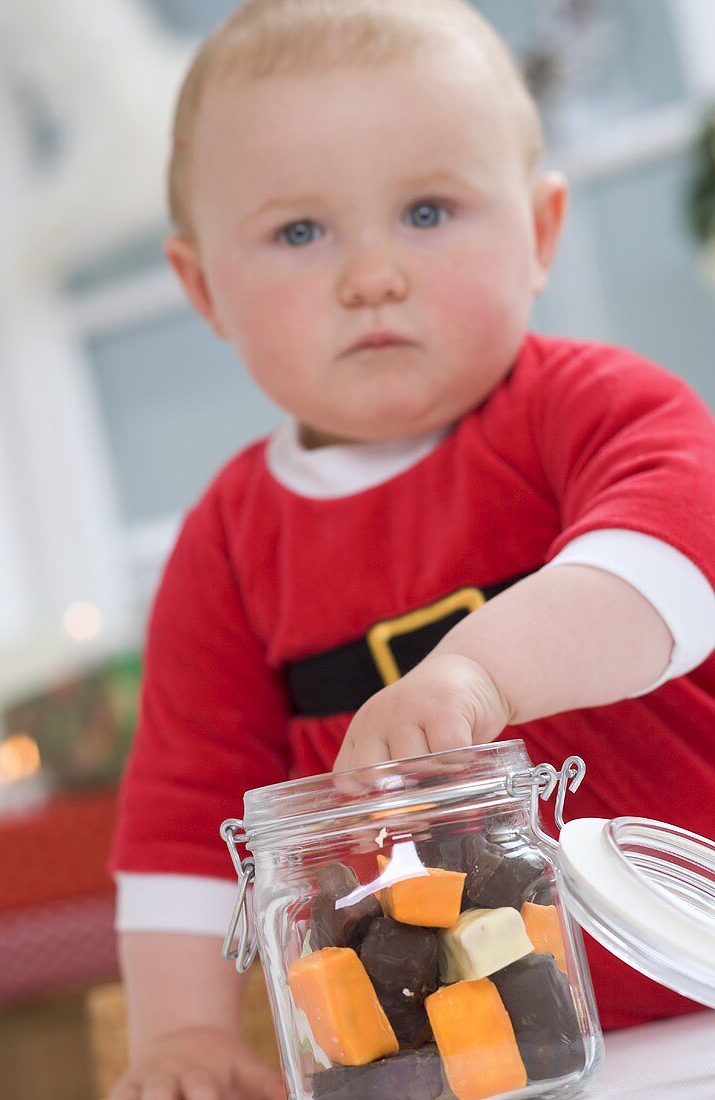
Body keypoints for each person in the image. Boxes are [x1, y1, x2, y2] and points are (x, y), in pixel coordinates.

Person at [107, 1, 715, 1097]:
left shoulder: (594, 406)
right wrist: (184, 1036)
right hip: (445, 1061)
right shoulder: (229, 544)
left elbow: (670, 571)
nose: (371, 275)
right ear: (203, 289)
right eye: (301, 233)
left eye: (426, 211)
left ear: (537, 234)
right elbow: (183, 819)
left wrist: (480, 670)